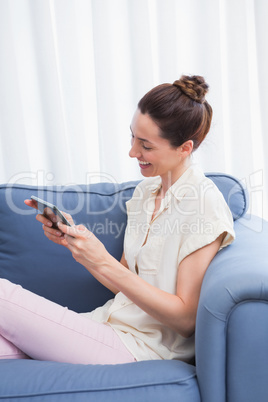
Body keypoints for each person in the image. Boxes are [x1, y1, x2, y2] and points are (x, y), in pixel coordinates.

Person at [0, 75, 235, 364]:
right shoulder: (145, 192)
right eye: (133, 138)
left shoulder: (204, 205)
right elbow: (125, 282)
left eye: (146, 146)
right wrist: (82, 249)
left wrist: (101, 260)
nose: (133, 152)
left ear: (185, 148)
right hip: (106, 325)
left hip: (141, 347)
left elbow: (186, 319)